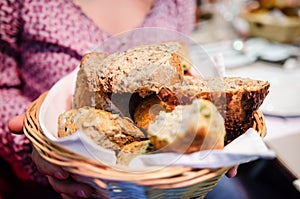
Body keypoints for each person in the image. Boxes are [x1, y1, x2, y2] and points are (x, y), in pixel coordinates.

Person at [2, 0, 237, 198]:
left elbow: (184, 67)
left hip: (172, 182)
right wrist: (38, 146)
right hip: (52, 186)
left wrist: (221, 136)